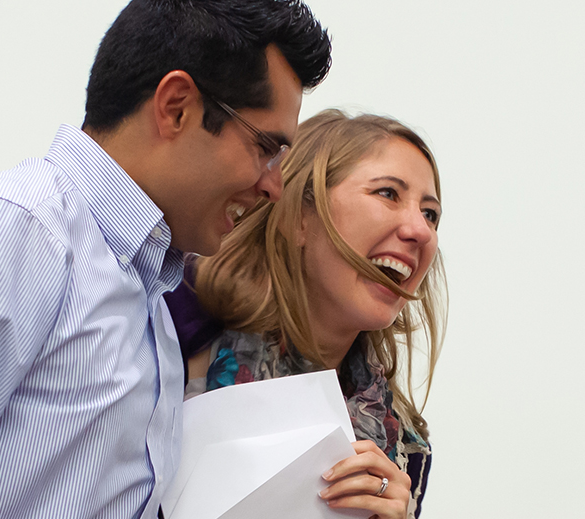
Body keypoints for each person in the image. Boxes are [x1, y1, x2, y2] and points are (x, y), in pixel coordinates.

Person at [0, 2, 332, 518]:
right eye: (267, 147)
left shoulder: (150, 301)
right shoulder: (11, 229)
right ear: (176, 107)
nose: (274, 186)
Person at [165, 109, 447, 519]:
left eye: (430, 213)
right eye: (388, 193)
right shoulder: (172, 325)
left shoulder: (403, 447)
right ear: (300, 215)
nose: (420, 230)